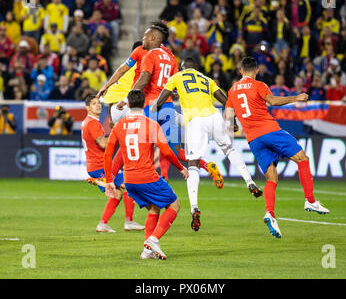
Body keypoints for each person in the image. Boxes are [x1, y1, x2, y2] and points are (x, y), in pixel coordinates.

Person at [96, 23, 218, 186]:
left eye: (146, 36)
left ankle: (113, 176)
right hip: (167, 106)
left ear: (153, 38)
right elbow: (174, 85)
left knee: (129, 141)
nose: (143, 39)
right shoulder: (171, 57)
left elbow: (127, 72)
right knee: (173, 149)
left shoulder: (144, 53)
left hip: (146, 105)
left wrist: (121, 95)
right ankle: (204, 164)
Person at [225, 57, 330, 239]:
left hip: (253, 139)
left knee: (271, 177)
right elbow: (272, 101)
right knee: (302, 159)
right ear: (256, 71)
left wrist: (234, 124)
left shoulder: (232, 90)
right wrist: (296, 97)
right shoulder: (259, 85)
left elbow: (228, 117)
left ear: (241, 71)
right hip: (270, 131)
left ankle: (270, 213)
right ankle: (310, 201)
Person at [153, 58, 262, 231]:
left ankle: (194, 207)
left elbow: (160, 100)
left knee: (193, 164)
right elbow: (226, 100)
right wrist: (233, 120)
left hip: (195, 121)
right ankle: (249, 182)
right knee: (229, 149)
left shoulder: (177, 77)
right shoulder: (207, 79)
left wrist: (153, 110)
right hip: (214, 117)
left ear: (182, 68)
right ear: (195, 68)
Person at [104, 90, 189, 259]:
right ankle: (154, 240)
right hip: (147, 177)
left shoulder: (119, 125)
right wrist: (180, 167)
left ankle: (147, 252)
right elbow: (166, 150)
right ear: (144, 104)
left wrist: (109, 180)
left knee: (154, 208)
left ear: (128, 105)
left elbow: (108, 153)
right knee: (174, 205)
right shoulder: (151, 124)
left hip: (129, 181)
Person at [81, 95, 144, 233]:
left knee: (117, 194)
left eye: (98, 103)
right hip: (100, 166)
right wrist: (117, 132)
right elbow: (103, 144)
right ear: (87, 108)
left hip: (96, 166)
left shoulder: (87, 122)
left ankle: (103, 224)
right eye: (93, 103)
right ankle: (129, 222)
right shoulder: (92, 123)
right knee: (129, 185)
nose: (98, 105)